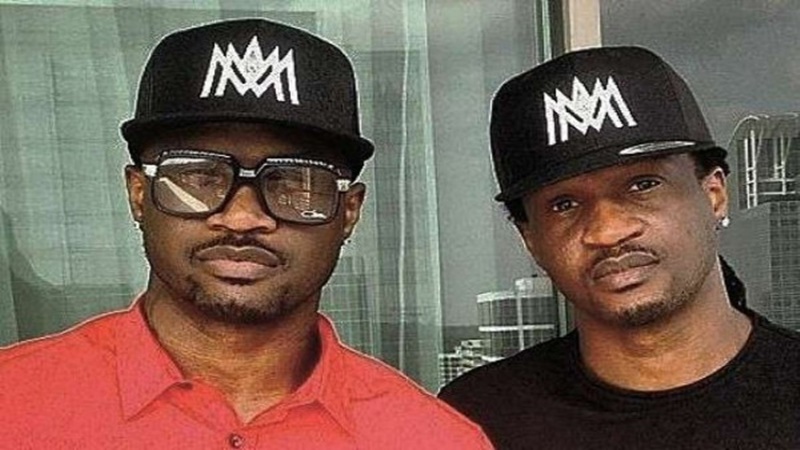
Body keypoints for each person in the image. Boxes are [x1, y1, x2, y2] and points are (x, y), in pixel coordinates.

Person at [0, 19, 492, 449]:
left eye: (294, 181)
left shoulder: (435, 439)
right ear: (137, 194)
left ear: (349, 211)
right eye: (198, 175)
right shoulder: (13, 404)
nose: (241, 218)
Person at [439, 46, 800, 449]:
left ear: (714, 194)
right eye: (564, 204)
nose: (608, 231)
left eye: (643, 185)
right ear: (531, 240)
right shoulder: (474, 421)